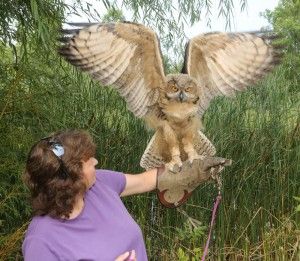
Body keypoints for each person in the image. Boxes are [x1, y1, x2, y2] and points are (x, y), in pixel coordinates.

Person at [22, 129, 161, 261]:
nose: (95, 162)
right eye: (88, 161)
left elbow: (145, 181)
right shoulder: (41, 240)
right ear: (74, 176)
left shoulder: (101, 183)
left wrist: (179, 167)